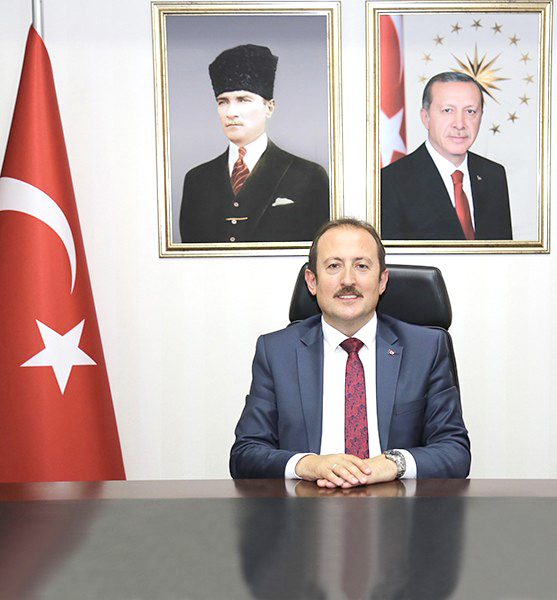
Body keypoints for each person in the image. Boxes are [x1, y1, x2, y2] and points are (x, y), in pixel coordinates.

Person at [230, 218, 470, 487]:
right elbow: (245, 455)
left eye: (361, 266)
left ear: (382, 280)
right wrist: (308, 464)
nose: (348, 280)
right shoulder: (276, 352)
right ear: (312, 281)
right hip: (306, 504)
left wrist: (393, 463)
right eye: (334, 266)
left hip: (397, 505)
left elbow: (455, 452)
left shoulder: (425, 349)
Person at [179, 44, 329, 243]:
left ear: (269, 108)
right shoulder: (197, 180)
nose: (231, 112)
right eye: (222, 102)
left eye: (243, 100)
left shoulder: (309, 176)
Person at [381, 72, 512, 241]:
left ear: (481, 117)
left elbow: (503, 252)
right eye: (448, 110)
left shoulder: (493, 175)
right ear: (425, 117)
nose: (459, 124)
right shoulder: (391, 182)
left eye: (470, 111)